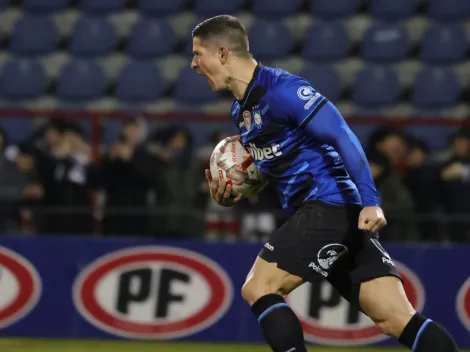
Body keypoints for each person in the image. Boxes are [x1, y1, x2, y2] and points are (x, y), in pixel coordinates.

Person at [191, 15, 460, 352]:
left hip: (329, 205)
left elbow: (341, 135)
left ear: (222, 54)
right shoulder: (240, 112)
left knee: (258, 288)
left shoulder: (282, 90)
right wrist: (238, 193)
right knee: (396, 318)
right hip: (332, 212)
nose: (193, 64)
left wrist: (370, 199)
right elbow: (279, 170)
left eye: (198, 54)